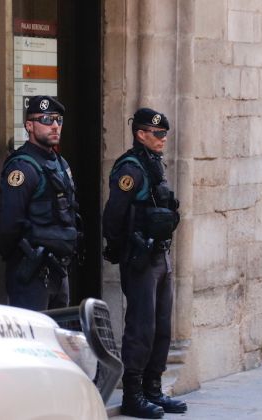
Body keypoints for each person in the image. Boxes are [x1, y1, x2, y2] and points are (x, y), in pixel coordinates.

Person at [102, 108, 186, 418]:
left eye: (165, 134)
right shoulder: (131, 168)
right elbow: (113, 214)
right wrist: (121, 246)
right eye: (158, 134)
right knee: (142, 326)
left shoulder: (153, 164)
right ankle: (133, 395)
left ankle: (153, 388)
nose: (163, 139)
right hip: (140, 257)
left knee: (162, 326)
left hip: (159, 255)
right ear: (141, 134)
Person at [0, 95, 81, 311]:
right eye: (46, 119)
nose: (54, 126)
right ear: (29, 126)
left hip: (59, 270)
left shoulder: (60, 163)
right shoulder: (23, 167)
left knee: (58, 336)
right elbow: (8, 226)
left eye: (58, 120)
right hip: (31, 271)